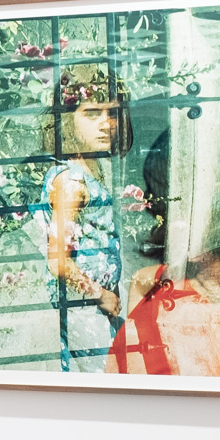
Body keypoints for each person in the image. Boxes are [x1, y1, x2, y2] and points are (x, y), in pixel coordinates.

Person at [36, 62, 138, 371]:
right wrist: (100, 294)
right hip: (84, 309)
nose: (106, 124)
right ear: (68, 121)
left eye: (112, 113)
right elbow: (57, 260)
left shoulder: (89, 171)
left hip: (96, 308)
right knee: (102, 378)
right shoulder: (71, 182)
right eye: (92, 114)